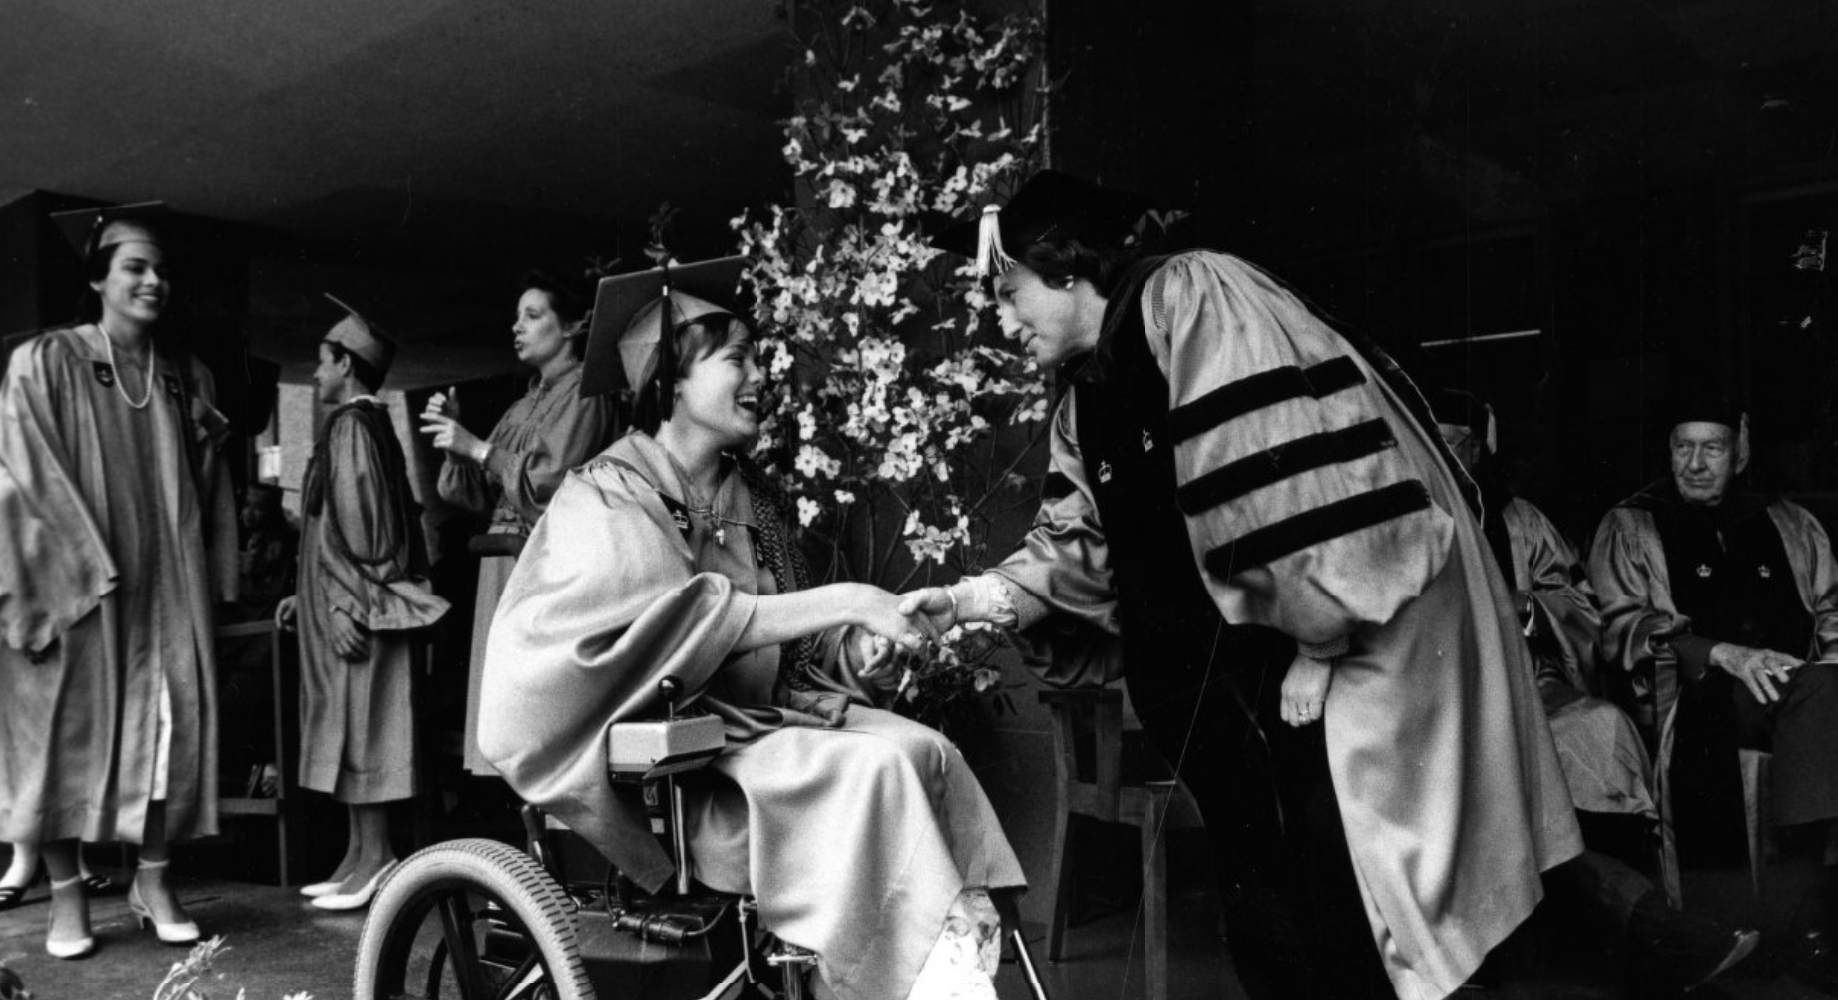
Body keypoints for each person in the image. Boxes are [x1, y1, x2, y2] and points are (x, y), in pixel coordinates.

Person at [899, 170, 1581, 1000]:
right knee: (1272, 923)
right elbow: (1080, 545)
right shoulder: (1086, 396)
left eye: (1011, 294)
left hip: (1305, 687)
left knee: (1349, 922)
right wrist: (968, 600)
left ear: (1069, 270)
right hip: (1218, 703)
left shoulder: (1190, 296)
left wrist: (1320, 645)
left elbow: (1287, 476)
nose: (1004, 322)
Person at [477, 257, 1026, 1000]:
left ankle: (938, 973)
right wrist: (850, 598)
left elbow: (795, 650)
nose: (759, 375)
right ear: (670, 382)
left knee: (926, 751)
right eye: (738, 359)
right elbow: (686, 625)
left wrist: (865, 646)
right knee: (876, 770)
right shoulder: (605, 496)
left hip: (759, 730)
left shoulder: (752, 504)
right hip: (678, 772)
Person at [1432, 388, 1757, 991]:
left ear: (1481, 450)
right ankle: (1644, 934)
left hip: (1530, 688)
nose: (1447, 456)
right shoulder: (1400, 521)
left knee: (1601, 729)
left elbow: (1578, 603)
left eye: (1460, 444)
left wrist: (1527, 609)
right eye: (1436, 442)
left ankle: (1614, 939)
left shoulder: (1518, 520)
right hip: (1438, 703)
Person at [0, 203, 236, 957]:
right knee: (62, 738)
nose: (153, 281)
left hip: (164, 593)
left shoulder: (181, 376)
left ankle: (155, 880)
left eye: (161, 270)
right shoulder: (49, 361)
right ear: (99, 278)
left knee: (170, 730)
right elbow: (21, 476)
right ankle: (68, 900)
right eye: (135, 267)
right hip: (77, 587)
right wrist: (68, 573)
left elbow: (207, 491)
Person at [1589, 398, 1838, 984]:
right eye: (1684, 447)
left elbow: (1831, 608)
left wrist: (1827, 660)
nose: (1696, 463)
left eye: (1713, 448)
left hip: (1796, 686)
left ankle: (1805, 918)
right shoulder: (1631, 525)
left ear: (1739, 454)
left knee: (1827, 696)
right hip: (1697, 697)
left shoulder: (1789, 522)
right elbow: (1619, 623)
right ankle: (1803, 924)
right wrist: (1720, 653)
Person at [275, 298, 449, 911]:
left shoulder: (353, 427)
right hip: (340, 604)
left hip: (361, 606)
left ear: (346, 364)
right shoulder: (358, 426)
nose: (316, 374)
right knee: (348, 730)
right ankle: (356, 856)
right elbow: (331, 529)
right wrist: (309, 597)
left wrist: (347, 603)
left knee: (366, 727)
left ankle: (377, 860)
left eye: (322, 363)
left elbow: (365, 530)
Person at [420, 271, 617, 775]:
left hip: (545, 567)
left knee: (542, 715)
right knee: (510, 719)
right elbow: (464, 493)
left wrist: (479, 449)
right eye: (517, 317)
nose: (517, 327)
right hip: (503, 568)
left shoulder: (586, 394)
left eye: (533, 316)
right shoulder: (522, 404)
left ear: (572, 328)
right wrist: (460, 446)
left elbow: (550, 486)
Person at [236, 481, 298, 620]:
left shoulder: (276, 546)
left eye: (259, 508)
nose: (250, 513)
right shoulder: (242, 537)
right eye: (246, 505)